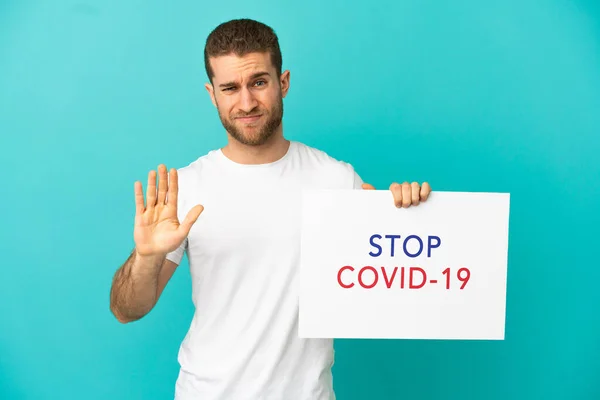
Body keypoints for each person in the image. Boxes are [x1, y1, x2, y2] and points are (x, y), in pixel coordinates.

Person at [109, 18, 431, 400]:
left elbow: (391, 276)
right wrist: (148, 256)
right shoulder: (186, 186)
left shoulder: (336, 179)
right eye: (230, 88)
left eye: (258, 82)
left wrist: (408, 213)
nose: (246, 102)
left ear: (284, 82)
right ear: (213, 94)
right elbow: (126, 310)